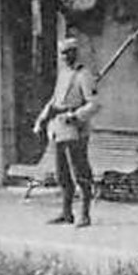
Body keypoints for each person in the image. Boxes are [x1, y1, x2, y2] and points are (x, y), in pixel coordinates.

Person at [34, 36, 101, 228]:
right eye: (62, 53)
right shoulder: (63, 75)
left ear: (75, 53)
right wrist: (41, 119)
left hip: (75, 129)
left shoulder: (84, 75)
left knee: (80, 172)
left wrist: (76, 115)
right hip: (58, 128)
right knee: (62, 173)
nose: (64, 57)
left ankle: (85, 214)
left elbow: (94, 104)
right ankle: (66, 212)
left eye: (68, 53)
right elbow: (54, 101)